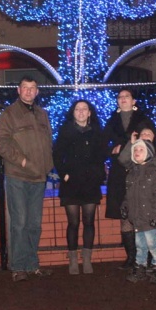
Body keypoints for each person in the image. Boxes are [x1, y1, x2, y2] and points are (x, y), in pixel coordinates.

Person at [0, 77, 54, 282]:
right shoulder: (9, 114)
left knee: (34, 224)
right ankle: (18, 266)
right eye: (25, 88)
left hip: (39, 176)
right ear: (18, 90)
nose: (29, 91)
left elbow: (48, 142)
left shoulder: (42, 114)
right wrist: (22, 161)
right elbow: (0, 143)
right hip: (18, 176)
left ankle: (32, 264)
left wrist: (48, 166)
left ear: (37, 91)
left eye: (32, 88)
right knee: (19, 222)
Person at [103, 87, 156, 270]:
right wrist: (111, 150)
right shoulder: (111, 120)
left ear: (134, 101)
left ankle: (149, 258)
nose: (123, 99)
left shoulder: (143, 119)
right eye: (120, 97)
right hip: (119, 173)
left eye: (127, 96)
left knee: (144, 213)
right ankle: (132, 257)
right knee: (125, 214)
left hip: (141, 172)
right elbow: (101, 144)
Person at [52, 100, 107, 275]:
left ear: (90, 112)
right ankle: (73, 259)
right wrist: (63, 174)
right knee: (73, 223)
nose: (81, 112)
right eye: (77, 109)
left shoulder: (97, 131)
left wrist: (98, 174)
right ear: (73, 112)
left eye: (84, 109)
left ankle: (87, 259)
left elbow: (102, 156)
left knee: (89, 222)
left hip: (90, 183)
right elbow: (57, 154)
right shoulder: (66, 131)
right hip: (71, 183)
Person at [119, 138, 156, 285]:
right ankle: (140, 268)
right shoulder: (132, 173)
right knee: (140, 245)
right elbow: (129, 194)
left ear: (149, 153)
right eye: (135, 149)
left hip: (149, 217)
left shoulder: (155, 173)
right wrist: (125, 206)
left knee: (153, 245)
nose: (137, 152)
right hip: (137, 217)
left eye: (141, 149)